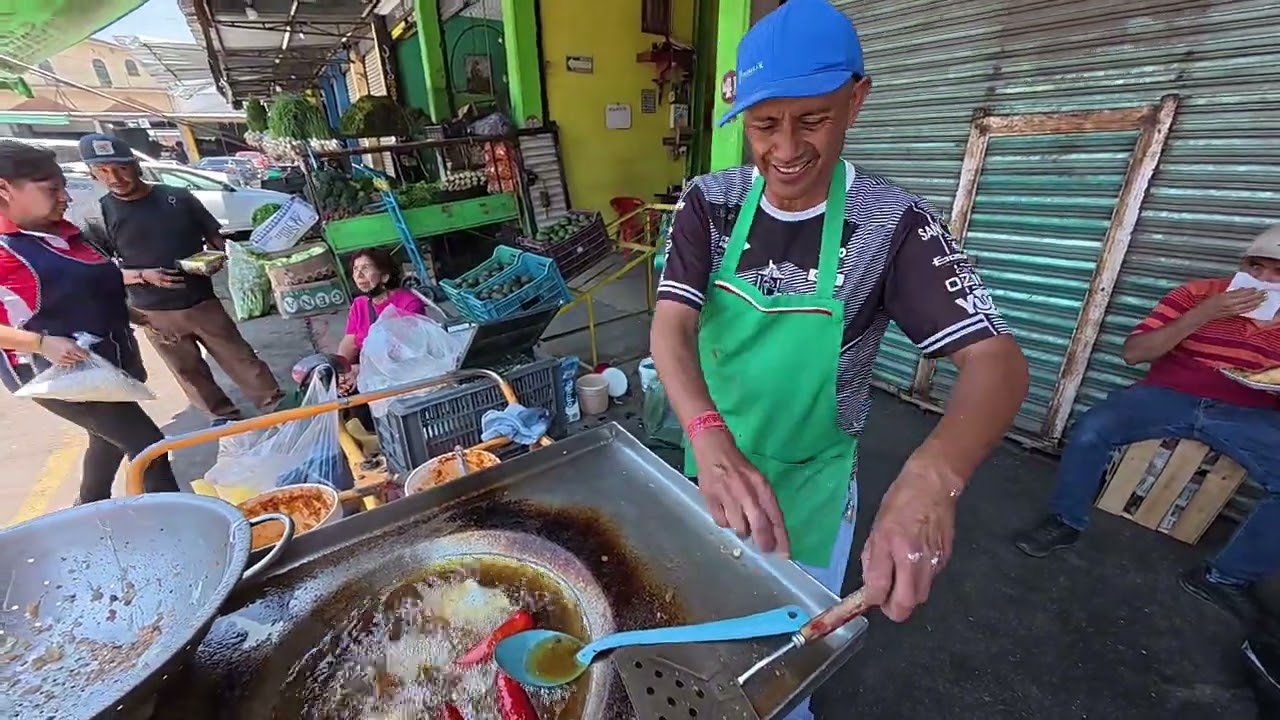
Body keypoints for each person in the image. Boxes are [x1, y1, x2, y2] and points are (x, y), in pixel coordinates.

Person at [652, 6, 1028, 717]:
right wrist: (706, 434)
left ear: (857, 99)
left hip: (815, 491)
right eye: (764, 126)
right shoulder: (711, 203)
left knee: (786, 668)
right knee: (697, 632)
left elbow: (997, 364)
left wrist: (931, 478)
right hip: (709, 467)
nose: (786, 148)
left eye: (813, 120)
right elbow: (672, 325)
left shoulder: (894, 224)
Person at [1014, 229, 1280, 623]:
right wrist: (1205, 314)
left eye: (1277, 272)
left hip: (1248, 413)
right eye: (1254, 266)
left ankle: (1224, 577)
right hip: (1169, 394)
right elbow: (1134, 353)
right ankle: (1065, 520)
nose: (1262, 279)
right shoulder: (1197, 294)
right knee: (1092, 429)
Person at [0, 140, 179, 503]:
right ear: (4, 188)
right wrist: (41, 343)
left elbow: (85, 289)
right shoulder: (6, 250)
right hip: (60, 376)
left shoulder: (61, 233)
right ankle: (180, 530)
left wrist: (136, 316)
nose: (65, 197)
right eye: (51, 189)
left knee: (108, 438)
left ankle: (88, 506)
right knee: (149, 447)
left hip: (106, 359)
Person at [77, 133, 283, 424]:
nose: (115, 177)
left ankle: (274, 403)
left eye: (121, 167)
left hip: (201, 300)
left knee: (240, 357)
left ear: (136, 165)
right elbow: (98, 272)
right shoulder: (97, 215)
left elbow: (213, 235)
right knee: (188, 372)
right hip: (152, 312)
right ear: (93, 173)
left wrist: (219, 255)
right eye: (103, 170)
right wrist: (141, 276)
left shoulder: (178, 198)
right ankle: (222, 417)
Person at [336, 248, 426, 396]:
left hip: (401, 379)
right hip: (368, 375)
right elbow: (349, 343)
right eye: (355, 269)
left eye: (365, 268)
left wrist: (361, 369)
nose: (359, 275)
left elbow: (405, 352)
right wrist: (342, 372)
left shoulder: (408, 304)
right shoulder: (359, 304)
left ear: (384, 276)